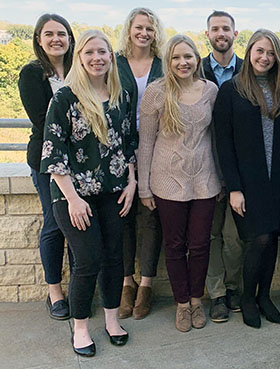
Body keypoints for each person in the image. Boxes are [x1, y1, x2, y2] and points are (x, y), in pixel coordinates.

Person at [41, 29, 136, 356]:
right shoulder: (65, 98)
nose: (97, 58)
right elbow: (53, 153)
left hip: (112, 191)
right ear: (80, 57)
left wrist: (133, 181)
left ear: (111, 56)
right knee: (88, 260)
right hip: (72, 195)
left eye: (103, 52)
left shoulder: (120, 94)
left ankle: (111, 321)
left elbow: (128, 142)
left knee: (114, 258)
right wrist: (73, 199)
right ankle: (80, 327)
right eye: (89, 52)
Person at [215, 29, 280, 328]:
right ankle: (247, 298)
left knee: (273, 238)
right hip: (247, 183)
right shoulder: (231, 90)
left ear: (277, 57)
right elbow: (223, 144)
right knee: (258, 238)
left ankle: (265, 296)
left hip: (278, 181)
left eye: (270, 53)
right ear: (249, 51)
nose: (264, 58)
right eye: (259, 51)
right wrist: (235, 188)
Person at [137, 35, 220, 333]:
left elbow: (217, 138)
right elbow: (145, 142)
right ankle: (182, 304)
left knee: (199, 245)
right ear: (167, 62)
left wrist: (222, 179)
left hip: (204, 181)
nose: (182, 62)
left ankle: (197, 300)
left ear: (197, 59)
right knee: (174, 245)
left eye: (188, 56)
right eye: (176, 58)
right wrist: (144, 188)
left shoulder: (211, 91)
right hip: (166, 180)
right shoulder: (156, 92)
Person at [18, 13, 75, 321]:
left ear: (69, 38)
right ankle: (55, 292)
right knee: (54, 223)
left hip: (82, 164)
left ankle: (80, 287)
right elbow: (43, 123)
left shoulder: (79, 70)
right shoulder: (32, 74)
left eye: (62, 34)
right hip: (46, 162)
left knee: (80, 224)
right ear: (39, 39)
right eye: (49, 34)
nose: (56, 39)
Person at [116, 7, 166, 320]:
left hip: (157, 145)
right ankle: (126, 283)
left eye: (149, 28)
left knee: (150, 214)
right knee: (122, 214)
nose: (144, 33)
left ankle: (147, 284)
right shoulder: (115, 61)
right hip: (118, 147)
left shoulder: (163, 62)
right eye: (138, 27)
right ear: (129, 29)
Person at [201, 10, 245, 324]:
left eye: (226, 28)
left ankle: (233, 288)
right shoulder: (193, 67)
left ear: (235, 34)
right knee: (210, 237)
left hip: (238, 170)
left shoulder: (248, 70)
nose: (221, 33)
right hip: (201, 167)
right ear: (208, 35)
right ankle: (216, 294)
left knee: (233, 237)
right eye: (215, 28)